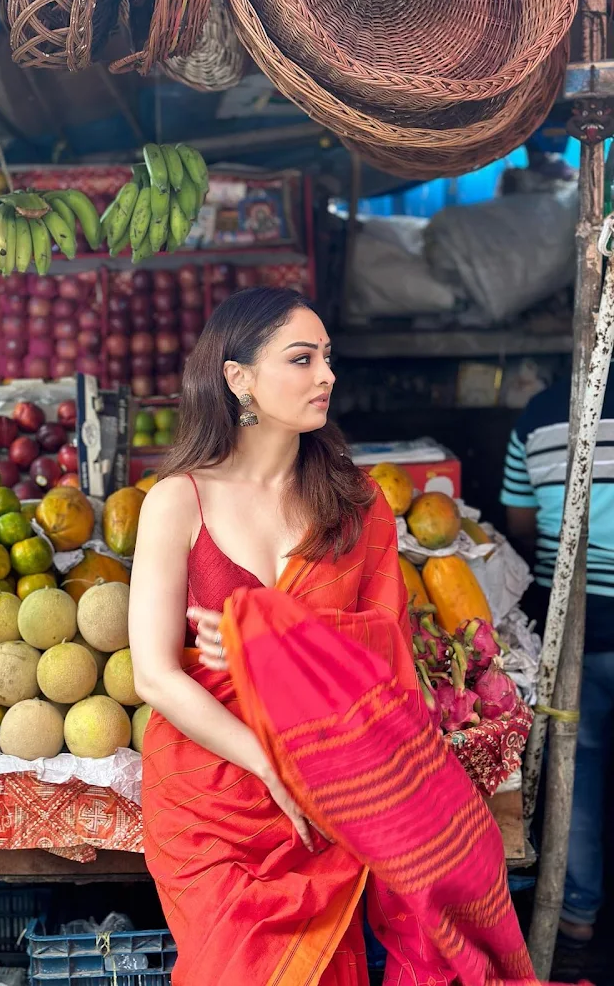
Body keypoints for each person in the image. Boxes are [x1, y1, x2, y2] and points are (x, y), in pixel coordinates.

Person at [130, 287, 540, 986]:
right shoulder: (177, 499)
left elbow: (387, 653)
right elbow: (154, 674)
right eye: (302, 359)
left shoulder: (357, 503)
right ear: (238, 377)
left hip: (333, 783)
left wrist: (273, 644)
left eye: (327, 357)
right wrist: (270, 764)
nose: (326, 375)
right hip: (213, 797)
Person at [501, 375, 614, 947]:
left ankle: (577, 911)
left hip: (574, 622)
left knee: (580, 767)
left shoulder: (538, 415)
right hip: (577, 628)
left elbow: (521, 528)